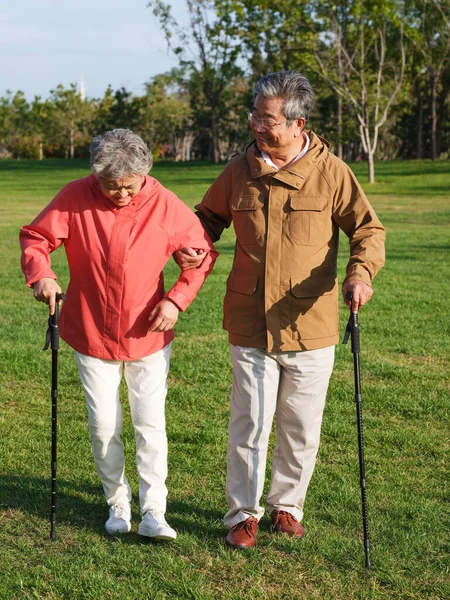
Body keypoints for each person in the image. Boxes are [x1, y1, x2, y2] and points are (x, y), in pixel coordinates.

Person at [175, 71, 385, 549]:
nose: (257, 126)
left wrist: (360, 274)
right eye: (255, 116)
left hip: (311, 322)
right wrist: (190, 245)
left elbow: (368, 232)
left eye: (267, 119)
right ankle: (242, 515)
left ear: (297, 122)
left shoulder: (332, 172)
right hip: (250, 320)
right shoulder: (238, 170)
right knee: (249, 421)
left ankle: (287, 507)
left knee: (301, 424)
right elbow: (205, 220)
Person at [20, 128, 217, 540]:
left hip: (148, 333)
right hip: (90, 331)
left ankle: (154, 511)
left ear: (144, 174)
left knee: (150, 424)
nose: (122, 194)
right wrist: (41, 274)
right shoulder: (75, 196)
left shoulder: (164, 203)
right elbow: (36, 238)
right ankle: (117, 502)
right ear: (96, 177)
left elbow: (200, 256)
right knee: (103, 424)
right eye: (112, 187)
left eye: (130, 186)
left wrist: (176, 300)